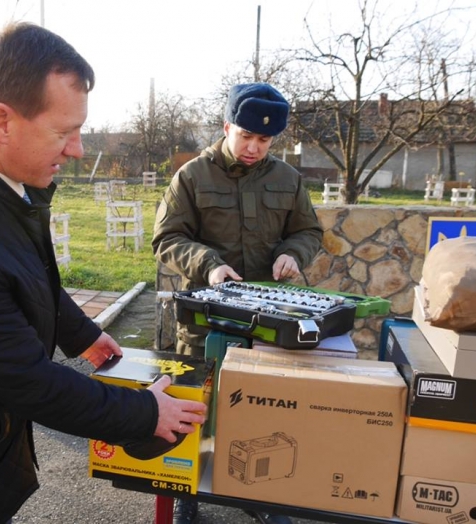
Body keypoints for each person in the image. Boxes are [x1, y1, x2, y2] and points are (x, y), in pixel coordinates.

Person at [0, 22, 206, 524]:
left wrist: (81, 334)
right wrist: (146, 414)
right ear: (1, 120)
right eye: (64, 132)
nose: (78, 150)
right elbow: (29, 382)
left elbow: (29, 271)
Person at [152, 83, 323, 524]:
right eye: (246, 136)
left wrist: (294, 253)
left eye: (264, 140)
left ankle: (257, 496)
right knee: (196, 401)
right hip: (205, 317)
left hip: (266, 320)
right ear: (227, 126)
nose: (253, 147)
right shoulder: (192, 176)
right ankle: (187, 488)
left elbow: (309, 232)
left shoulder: (287, 178)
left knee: (263, 404)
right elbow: (166, 238)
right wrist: (208, 264)